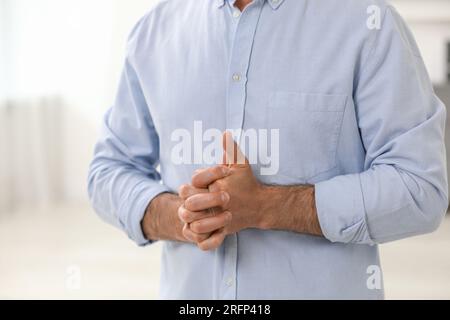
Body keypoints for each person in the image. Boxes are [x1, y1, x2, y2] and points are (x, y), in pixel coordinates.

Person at [88, 0, 448, 299]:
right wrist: (179, 217)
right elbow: (108, 170)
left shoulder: (367, 24)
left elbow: (420, 188)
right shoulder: (154, 31)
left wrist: (265, 207)